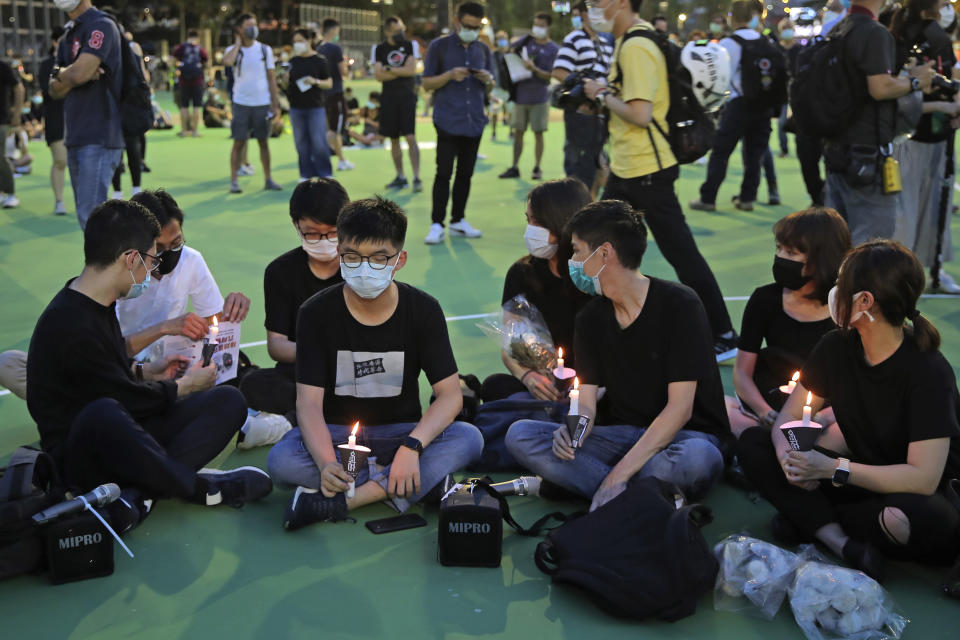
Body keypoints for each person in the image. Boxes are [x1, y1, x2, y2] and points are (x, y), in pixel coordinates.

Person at [25, 199, 273, 518]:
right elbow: (120, 399)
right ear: (131, 259)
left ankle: (139, 492)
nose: (152, 271)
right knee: (105, 413)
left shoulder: (96, 302)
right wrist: (183, 386)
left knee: (229, 401)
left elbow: (113, 373)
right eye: (151, 261)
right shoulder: (71, 323)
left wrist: (151, 372)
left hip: (127, 429)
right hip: (83, 452)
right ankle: (193, 486)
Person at [738, 239, 960, 581]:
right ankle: (841, 542)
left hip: (907, 491)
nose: (834, 291)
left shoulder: (928, 371)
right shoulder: (836, 346)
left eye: (841, 284)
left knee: (913, 518)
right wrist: (790, 462)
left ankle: (811, 520)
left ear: (865, 301)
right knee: (755, 443)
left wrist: (831, 469)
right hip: (857, 477)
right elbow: (788, 418)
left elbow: (922, 478)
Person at [265, 196, 483, 529]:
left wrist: (411, 448)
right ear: (340, 255)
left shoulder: (422, 310)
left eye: (379, 258)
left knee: (469, 437)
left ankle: (348, 499)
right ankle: (406, 484)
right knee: (281, 460)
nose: (365, 267)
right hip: (338, 436)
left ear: (400, 259)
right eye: (353, 256)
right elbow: (308, 404)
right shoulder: (315, 312)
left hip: (402, 433)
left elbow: (450, 395)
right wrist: (325, 464)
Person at [505, 200, 730, 507]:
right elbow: (585, 404)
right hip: (620, 436)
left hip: (683, 437)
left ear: (605, 253)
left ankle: (609, 491)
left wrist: (615, 477)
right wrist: (573, 430)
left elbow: (680, 410)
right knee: (522, 435)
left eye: (577, 250)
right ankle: (643, 500)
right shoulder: (590, 318)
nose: (572, 260)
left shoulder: (679, 304)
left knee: (697, 458)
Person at [583, 0, 740, 359]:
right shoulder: (629, 40)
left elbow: (640, 113)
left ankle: (724, 333)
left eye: (597, 1)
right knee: (605, 248)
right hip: (632, 167)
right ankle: (613, 325)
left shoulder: (636, 45)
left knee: (678, 253)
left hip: (646, 170)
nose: (592, 6)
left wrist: (602, 94)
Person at [727, 208, 851, 437]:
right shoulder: (765, 299)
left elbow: (857, 387)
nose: (781, 257)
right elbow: (742, 373)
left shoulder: (846, 310)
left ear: (821, 259)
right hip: (770, 400)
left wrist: (822, 417)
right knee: (723, 411)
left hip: (825, 414)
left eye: (791, 253)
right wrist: (765, 412)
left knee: (844, 431)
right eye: (779, 249)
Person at [820, 0, 935, 245]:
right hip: (866, 154)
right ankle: (855, 284)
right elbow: (880, 88)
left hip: (837, 148)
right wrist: (916, 81)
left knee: (837, 239)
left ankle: (837, 283)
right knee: (872, 245)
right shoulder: (874, 32)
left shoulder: (839, 29)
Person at [239, 178, 349, 425]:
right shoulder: (280, 271)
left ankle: (290, 422)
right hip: (302, 370)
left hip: (351, 369)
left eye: (332, 232)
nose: (324, 240)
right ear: (296, 225)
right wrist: (322, 354)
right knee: (253, 383)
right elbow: (277, 345)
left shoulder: (360, 266)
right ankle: (314, 414)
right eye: (312, 233)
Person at [486, 178, 593, 402]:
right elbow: (511, 348)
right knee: (494, 386)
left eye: (538, 222)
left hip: (592, 386)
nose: (530, 230)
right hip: (545, 384)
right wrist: (528, 377)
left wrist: (588, 389)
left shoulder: (595, 275)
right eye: (528, 220)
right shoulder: (522, 273)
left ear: (563, 222)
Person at [890, 0, 960, 293]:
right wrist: (942, 105)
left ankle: (935, 268)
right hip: (908, 138)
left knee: (937, 210)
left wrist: (954, 106)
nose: (947, 7)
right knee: (904, 211)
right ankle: (898, 276)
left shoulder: (939, 36)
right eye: (942, 2)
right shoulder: (899, 36)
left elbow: (952, 75)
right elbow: (897, 95)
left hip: (940, 138)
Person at [689, 1, 778, 213]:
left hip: (737, 104)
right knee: (754, 156)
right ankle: (748, 198)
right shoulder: (767, 42)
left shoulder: (729, 43)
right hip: (763, 107)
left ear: (733, 18)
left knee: (720, 153)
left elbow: (719, 77)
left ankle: (708, 198)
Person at [421, 2, 495, 245]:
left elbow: (492, 85)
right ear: (456, 21)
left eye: (476, 27)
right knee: (443, 173)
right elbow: (427, 83)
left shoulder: (483, 49)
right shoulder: (439, 46)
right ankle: (436, 223)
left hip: (474, 120)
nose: (471, 30)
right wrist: (450, 75)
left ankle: (458, 219)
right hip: (447, 119)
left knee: (466, 174)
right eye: (467, 26)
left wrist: (487, 80)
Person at [49, 0, 124, 229]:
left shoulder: (101, 25)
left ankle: (107, 265)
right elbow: (53, 88)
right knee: (88, 216)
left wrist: (70, 75)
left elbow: (78, 74)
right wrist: (72, 73)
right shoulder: (68, 34)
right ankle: (105, 264)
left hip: (100, 133)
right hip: (76, 134)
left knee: (91, 216)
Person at [553, 1, 615, 196]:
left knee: (598, 166)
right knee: (580, 171)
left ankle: (591, 211)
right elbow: (559, 71)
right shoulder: (574, 38)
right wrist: (585, 90)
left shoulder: (605, 42)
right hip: (581, 113)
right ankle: (579, 215)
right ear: (586, 15)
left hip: (601, 114)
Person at [222, 13, 283, 194]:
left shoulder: (265, 50)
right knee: (238, 142)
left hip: (262, 103)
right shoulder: (233, 50)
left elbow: (271, 77)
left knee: (263, 142)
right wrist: (238, 44)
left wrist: (275, 103)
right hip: (241, 103)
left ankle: (268, 178)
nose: (253, 29)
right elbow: (226, 62)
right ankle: (234, 180)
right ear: (240, 30)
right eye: (248, 25)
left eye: (254, 25)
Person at [499, 12, 560, 181]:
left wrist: (534, 69)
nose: (537, 28)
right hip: (521, 95)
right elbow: (508, 49)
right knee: (518, 132)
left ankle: (537, 167)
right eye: (536, 24)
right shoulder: (527, 41)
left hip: (539, 97)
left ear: (549, 27)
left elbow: (551, 75)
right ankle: (514, 166)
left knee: (538, 133)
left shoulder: (553, 49)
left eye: (541, 25)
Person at [373, 16, 423, 192]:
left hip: (407, 97)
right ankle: (400, 176)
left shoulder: (411, 45)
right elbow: (378, 75)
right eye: (396, 31)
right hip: (388, 98)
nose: (400, 34)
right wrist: (399, 72)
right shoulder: (379, 49)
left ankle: (417, 177)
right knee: (393, 138)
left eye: (401, 30)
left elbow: (411, 70)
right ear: (387, 32)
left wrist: (388, 69)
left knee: (410, 137)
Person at [287, 28, 333, 182]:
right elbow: (287, 85)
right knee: (301, 142)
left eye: (300, 41)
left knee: (319, 141)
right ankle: (305, 174)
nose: (297, 44)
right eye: (295, 42)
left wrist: (315, 81)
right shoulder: (293, 62)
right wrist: (284, 77)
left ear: (309, 41)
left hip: (315, 107)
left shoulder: (320, 60)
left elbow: (329, 83)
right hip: (296, 107)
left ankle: (325, 173)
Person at [111, 30, 151, 200]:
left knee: (125, 149)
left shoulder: (129, 52)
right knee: (124, 150)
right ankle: (126, 189)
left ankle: (126, 189)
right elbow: (144, 78)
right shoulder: (127, 52)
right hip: (122, 108)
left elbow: (143, 78)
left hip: (126, 108)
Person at [317, 18, 354, 171]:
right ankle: (318, 155)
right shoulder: (335, 49)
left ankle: (341, 160)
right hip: (336, 93)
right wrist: (347, 67)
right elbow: (343, 71)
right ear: (332, 30)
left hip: (323, 94)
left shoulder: (318, 48)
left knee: (332, 129)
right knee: (335, 129)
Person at [39, 26, 67, 215]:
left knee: (81, 164)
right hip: (55, 117)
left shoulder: (78, 61)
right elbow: (49, 92)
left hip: (79, 119)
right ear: (55, 41)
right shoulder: (47, 64)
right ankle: (59, 201)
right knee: (60, 160)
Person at [172, 29, 209, 138]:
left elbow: (173, 60)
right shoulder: (200, 49)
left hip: (183, 81)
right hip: (198, 81)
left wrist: (177, 69)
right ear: (197, 37)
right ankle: (194, 131)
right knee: (197, 107)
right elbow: (206, 62)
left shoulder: (181, 47)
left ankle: (184, 131)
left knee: (184, 107)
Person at [0, 57, 24, 209]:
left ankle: (10, 193)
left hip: (1, 119)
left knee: (0, 158)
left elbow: (19, 88)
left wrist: (16, 114)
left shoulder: (2, 67)